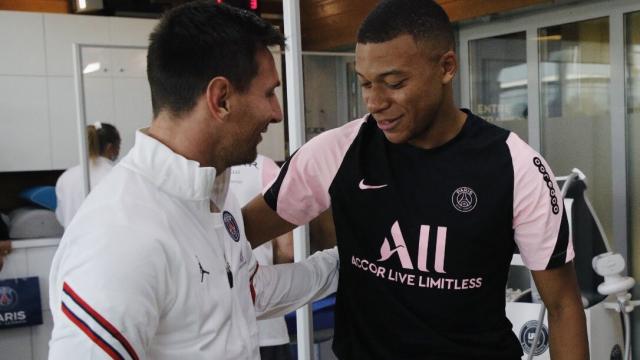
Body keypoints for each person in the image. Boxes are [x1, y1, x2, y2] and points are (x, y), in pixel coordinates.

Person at [241, 0, 588, 359]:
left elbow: (562, 305)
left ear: (446, 67)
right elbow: (234, 234)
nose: (375, 101)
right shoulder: (337, 151)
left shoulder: (516, 165)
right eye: (365, 84)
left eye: (394, 83)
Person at [48, 2, 338, 359]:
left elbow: (246, 290)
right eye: (268, 93)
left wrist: (348, 261)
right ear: (221, 99)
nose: (276, 112)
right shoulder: (120, 232)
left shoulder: (210, 198)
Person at [229, 154, 294, 360]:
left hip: (216, 333)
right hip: (266, 326)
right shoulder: (264, 167)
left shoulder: (194, 170)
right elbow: (288, 248)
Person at [55, 122, 121, 228]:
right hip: (104, 241)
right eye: (119, 146)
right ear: (110, 147)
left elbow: (62, 216)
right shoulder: (117, 174)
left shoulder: (66, 177)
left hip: (73, 242)